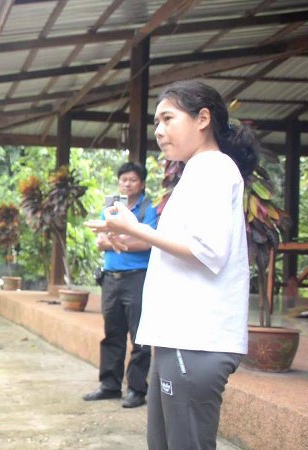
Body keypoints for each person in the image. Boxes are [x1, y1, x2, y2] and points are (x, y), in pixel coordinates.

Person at [86, 79, 254, 449]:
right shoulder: (197, 170)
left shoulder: (213, 169)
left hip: (196, 340)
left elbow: (208, 249)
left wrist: (136, 229)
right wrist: (127, 232)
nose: (159, 131)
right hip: (179, 337)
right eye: (156, 123)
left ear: (202, 119)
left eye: (168, 118)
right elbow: (183, 245)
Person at [83, 162, 157, 408]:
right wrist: (127, 238)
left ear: (142, 184)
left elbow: (148, 242)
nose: (127, 184)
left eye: (132, 180)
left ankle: (136, 390)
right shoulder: (111, 209)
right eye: (123, 179)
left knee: (139, 335)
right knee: (112, 334)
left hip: (137, 277)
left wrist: (117, 240)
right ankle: (109, 385)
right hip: (111, 278)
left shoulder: (148, 208)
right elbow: (100, 241)